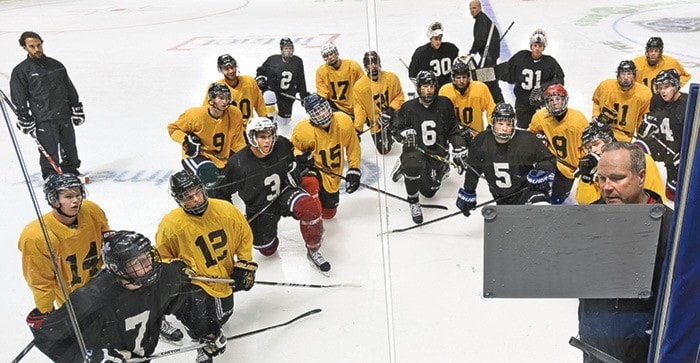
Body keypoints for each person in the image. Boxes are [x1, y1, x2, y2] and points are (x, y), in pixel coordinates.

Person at [32, 230, 226, 363]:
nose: (148, 264)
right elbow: (47, 338)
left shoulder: (162, 276)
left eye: (148, 257)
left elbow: (184, 301)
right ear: (118, 268)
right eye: (138, 262)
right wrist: (89, 357)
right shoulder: (92, 298)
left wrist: (207, 330)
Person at [577, 142, 673, 363]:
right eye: (601, 178)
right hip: (596, 349)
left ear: (641, 177)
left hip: (648, 353)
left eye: (617, 178)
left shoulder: (672, 228)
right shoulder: (585, 220)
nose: (607, 187)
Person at [156, 170, 255, 362]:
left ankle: (202, 326)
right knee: (199, 317)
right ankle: (200, 339)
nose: (195, 199)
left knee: (222, 317)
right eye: (188, 197)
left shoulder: (225, 210)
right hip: (194, 281)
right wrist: (176, 269)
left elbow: (244, 236)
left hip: (221, 279)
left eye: (197, 192)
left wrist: (245, 263)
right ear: (179, 200)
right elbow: (161, 258)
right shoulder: (170, 225)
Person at [211, 117, 330, 274]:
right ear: (252, 137)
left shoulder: (282, 144)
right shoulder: (238, 164)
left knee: (310, 208)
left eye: (270, 136)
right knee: (267, 250)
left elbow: (294, 163)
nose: (267, 141)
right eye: (262, 137)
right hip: (260, 206)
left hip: (284, 193)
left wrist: (296, 169)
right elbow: (219, 192)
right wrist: (232, 218)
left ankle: (313, 250)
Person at [18, 173, 110, 335]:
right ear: (53, 200)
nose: (75, 200)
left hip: (100, 282)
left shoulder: (91, 210)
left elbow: (105, 233)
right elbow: (40, 279)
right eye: (68, 196)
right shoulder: (37, 236)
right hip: (72, 298)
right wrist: (45, 309)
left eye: (77, 194)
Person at [10, 31, 87, 181]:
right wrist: (24, 116)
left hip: (63, 114)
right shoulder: (21, 71)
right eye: (32, 46)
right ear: (24, 48)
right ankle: (51, 177)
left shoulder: (56, 65)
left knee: (69, 147)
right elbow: (19, 98)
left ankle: (71, 171)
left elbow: (69, 88)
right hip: (43, 118)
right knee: (49, 151)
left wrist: (76, 107)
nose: (37, 49)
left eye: (39, 45)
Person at [391, 71, 466, 224]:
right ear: (418, 88)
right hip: (416, 152)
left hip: (436, 153)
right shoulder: (408, 107)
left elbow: (453, 129)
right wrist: (404, 134)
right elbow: (394, 130)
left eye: (431, 87)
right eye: (425, 87)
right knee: (413, 165)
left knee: (429, 192)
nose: (428, 91)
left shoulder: (445, 103)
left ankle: (442, 166)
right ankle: (413, 201)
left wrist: (459, 146)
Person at [455, 102, 555, 216]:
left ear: (514, 125)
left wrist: (540, 172)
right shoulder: (481, 141)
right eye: (500, 123)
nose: (504, 129)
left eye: (508, 124)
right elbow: (473, 170)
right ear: (493, 123)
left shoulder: (527, 139)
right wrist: (468, 191)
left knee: (541, 209)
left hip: (527, 192)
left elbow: (549, 159)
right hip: (502, 198)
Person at [290, 93, 362, 221]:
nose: (322, 114)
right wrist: (300, 157)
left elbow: (353, 146)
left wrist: (354, 169)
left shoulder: (343, 121)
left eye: (323, 109)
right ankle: (311, 216)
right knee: (309, 182)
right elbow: (293, 149)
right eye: (317, 113)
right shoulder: (303, 130)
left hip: (333, 174)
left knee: (329, 214)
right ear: (310, 116)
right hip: (315, 169)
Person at [169, 83, 246, 189]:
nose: (225, 101)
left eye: (227, 98)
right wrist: (185, 140)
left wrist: (249, 156)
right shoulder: (195, 115)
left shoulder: (234, 114)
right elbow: (172, 129)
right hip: (197, 156)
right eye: (221, 98)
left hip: (221, 160)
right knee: (209, 176)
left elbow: (238, 142)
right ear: (212, 99)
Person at [574, 122, 665, 205]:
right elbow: (588, 207)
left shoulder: (641, 159)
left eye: (596, 144)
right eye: (588, 148)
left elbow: (654, 200)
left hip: (641, 218)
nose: (592, 150)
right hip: (610, 219)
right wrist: (586, 179)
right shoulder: (591, 166)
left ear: (609, 140)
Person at [527, 84, 588, 204]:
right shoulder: (539, 117)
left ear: (565, 100)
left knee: (557, 199)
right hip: (549, 160)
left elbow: (587, 145)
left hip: (568, 166)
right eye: (550, 100)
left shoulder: (578, 119)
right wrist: (537, 138)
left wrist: (583, 163)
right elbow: (531, 134)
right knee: (537, 186)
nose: (554, 103)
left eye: (558, 99)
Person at [494, 28, 565, 129]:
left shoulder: (550, 62)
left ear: (544, 47)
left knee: (542, 130)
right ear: (531, 45)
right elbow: (505, 69)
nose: (537, 48)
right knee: (523, 132)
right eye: (535, 45)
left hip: (542, 105)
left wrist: (544, 88)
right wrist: (484, 73)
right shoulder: (521, 57)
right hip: (522, 105)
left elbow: (559, 80)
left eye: (540, 46)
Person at [637, 69, 688, 201]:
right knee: (636, 150)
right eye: (660, 88)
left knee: (673, 195)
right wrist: (647, 127)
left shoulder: (687, 104)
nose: (663, 91)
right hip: (662, 145)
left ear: (676, 86)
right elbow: (653, 123)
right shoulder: (657, 100)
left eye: (667, 87)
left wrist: (686, 155)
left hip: (679, 153)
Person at [352, 50, 405, 154]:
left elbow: (400, 97)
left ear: (379, 63)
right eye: (369, 64)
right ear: (365, 66)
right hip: (377, 123)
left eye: (375, 63)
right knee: (384, 150)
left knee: (405, 139)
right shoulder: (359, 87)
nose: (373, 66)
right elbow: (360, 109)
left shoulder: (392, 78)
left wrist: (390, 110)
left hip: (394, 115)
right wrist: (357, 129)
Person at [591, 60, 652, 143]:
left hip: (624, 139)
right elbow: (597, 101)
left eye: (629, 74)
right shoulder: (605, 86)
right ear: (618, 75)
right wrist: (595, 114)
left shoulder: (643, 93)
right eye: (623, 74)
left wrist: (641, 138)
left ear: (634, 76)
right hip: (603, 134)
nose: (626, 77)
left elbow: (642, 118)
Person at [257, 38, 310, 125]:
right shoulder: (272, 60)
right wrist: (260, 78)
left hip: (288, 94)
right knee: (268, 96)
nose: (288, 51)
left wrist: (303, 96)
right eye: (286, 48)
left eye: (290, 48)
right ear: (281, 50)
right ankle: (270, 120)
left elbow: (301, 79)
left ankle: (277, 116)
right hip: (273, 90)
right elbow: (261, 71)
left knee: (284, 122)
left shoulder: (297, 62)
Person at [205, 54, 267, 127]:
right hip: (228, 130)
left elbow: (260, 105)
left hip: (248, 128)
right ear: (221, 70)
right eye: (226, 69)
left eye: (232, 67)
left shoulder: (249, 81)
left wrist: (265, 121)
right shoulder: (216, 88)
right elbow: (207, 111)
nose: (231, 71)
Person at [438, 56, 495, 134]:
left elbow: (491, 108)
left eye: (464, 77)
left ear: (469, 77)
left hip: (477, 136)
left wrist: (492, 124)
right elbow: (441, 116)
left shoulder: (480, 88)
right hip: (454, 136)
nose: (461, 81)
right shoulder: (445, 91)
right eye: (458, 78)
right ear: (453, 78)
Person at [315, 42, 364, 119]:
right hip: (335, 107)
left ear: (336, 52)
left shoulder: (353, 66)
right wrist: (317, 100)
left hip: (355, 106)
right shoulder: (321, 71)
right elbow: (322, 92)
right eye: (326, 56)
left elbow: (363, 86)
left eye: (331, 54)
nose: (330, 57)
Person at [467, 0, 504, 102]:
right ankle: (497, 102)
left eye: (474, 8)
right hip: (489, 55)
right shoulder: (482, 19)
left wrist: (472, 52)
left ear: (480, 8)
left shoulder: (481, 20)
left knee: (490, 81)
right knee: (487, 79)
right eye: (470, 9)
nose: (472, 11)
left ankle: (499, 103)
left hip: (489, 56)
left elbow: (480, 38)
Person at [408, 21, 460, 88]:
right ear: (430, 38)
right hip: (432, 91)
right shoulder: (420, 53)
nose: (438, 42)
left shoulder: (451, 49)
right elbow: (413, 75)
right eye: (436, 39)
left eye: (440, 39)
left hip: (449, 89)